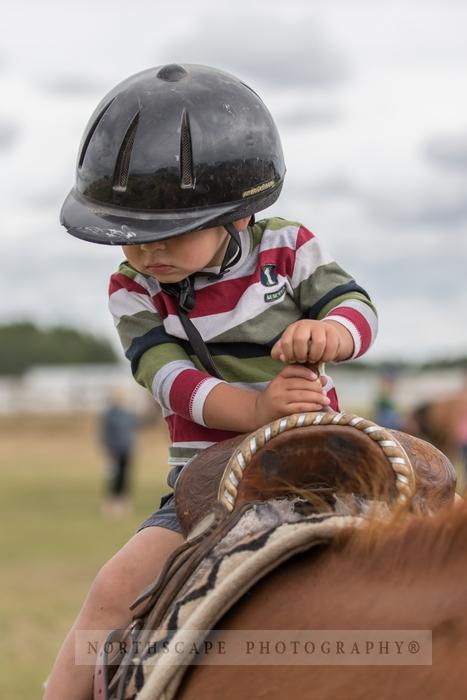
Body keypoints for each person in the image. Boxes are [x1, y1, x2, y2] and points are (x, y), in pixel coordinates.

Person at [43, 64, 378, 699]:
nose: (147, 253)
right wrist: (256, 408)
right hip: (209, 481)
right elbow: (168, 379)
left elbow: (358, 309)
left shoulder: (291, 248)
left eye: (167, 233)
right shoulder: (132, 290)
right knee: (113, 594)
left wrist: (332, 332)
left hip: (325, 460)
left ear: (239, 215)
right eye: (130, 239)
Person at [100, 389, 140, 517]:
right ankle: (111, 503)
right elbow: (105, 434)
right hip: (114, 451)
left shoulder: (126, 414)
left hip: (126, 450)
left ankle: (123, 503)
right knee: (114, 478)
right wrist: (108, 450)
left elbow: (136, 426)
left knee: (125, 477)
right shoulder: (109, 415)